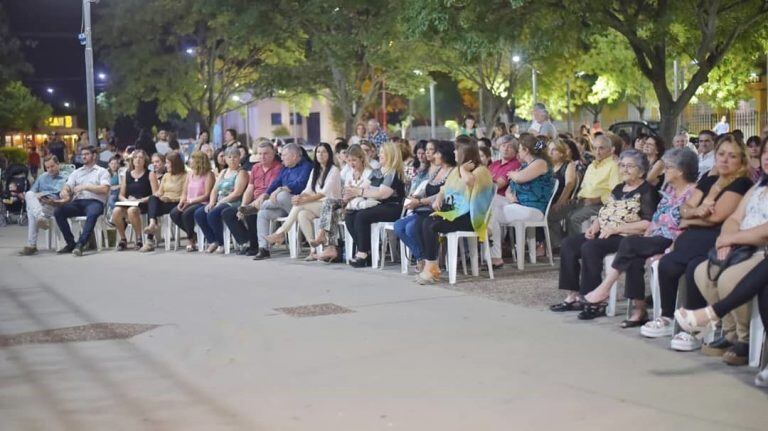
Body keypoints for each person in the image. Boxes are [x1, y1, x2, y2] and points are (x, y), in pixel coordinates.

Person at [553, 149, 697, 326]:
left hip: (629, 234)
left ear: (642, 171)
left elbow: (651, 221)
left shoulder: (651, 191)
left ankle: (597, 296)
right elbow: (606, 210)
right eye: (622, 165)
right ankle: (577, 295)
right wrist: (595, 225)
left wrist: (619, 229)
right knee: (569, 243)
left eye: (630, 166)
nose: (624, 169)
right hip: (631, 234)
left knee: (594, 247)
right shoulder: (625, 188)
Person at [654, 134, 753, 351]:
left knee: (693, 268)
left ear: (741, 161)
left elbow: (716, 218)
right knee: (667, 264)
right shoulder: (708, 178)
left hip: (714, 239)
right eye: (721, 154)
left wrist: (692, 215)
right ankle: (667, 316)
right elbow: (683, 209)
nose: (725, 160)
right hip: (691, 237)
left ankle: (696, 329)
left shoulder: (742, 183)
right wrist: (694, 212)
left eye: (732, 156)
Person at [679, 138, 768, 364]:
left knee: (729, 279)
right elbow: (735, 217)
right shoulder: (759, 187)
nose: (767, 157)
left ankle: (744, 339)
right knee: (702, 271)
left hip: (760, 251)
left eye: (733, 155)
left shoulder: (743, 183)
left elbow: (764, 231)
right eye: (766, 152)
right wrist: (726, 240)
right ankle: (729, 333)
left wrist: (730, 238)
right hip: (740, 245)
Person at [414, 136, 494, 284]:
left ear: (465, 151)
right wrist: (438, 198)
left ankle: (431, 269)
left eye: (457, 149)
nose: (454, 152)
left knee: (430, 224)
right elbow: (445, 188)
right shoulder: (457, 170)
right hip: (454, 212)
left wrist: (463, 169)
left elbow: (469, 182)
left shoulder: (481, 170)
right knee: (423, 222)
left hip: (471, 217)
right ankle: (431, 266)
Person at [265, 143, 341, 260]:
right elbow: (308, 190)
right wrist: (300, 197)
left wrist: (303, 200)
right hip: (318, 206)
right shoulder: (315, 170)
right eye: (318, 152)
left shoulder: (334, 170)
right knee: (302, 214)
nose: (320, 154)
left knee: (301, 204)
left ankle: (281, 232)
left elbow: (323, 193)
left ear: (329, 154)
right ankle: (313, 251)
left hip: (331, 206)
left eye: (324, 152)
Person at [489, 135, 555, 268]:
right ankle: (495, 255)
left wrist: (513, 174)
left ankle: (493, 251)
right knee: (491, 207)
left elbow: (519, 178)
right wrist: (510, 196)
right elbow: (509, 189)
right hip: (519, 206)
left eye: (519, 149)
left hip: (534, 209)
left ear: (526, 150)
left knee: (491, 211)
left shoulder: (540, 163)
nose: (518, 152)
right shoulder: (525, 165)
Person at [548, 134, 620, 247]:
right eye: (595, 148)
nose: (597, 151)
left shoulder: (613, 166)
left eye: (601, 148)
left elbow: (616, 191)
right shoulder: (591, 166)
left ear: (611, 150)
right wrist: (574, 199)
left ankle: (577, 247)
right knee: (551, 215)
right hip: (582, 201)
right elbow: (583, 188)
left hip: (600, 205)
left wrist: (597, 199)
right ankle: (560, 244)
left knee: (573, 218)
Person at [394, 141, 455, 273]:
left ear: (445, 154)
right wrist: (416, 197)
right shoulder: (437, 170)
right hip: (424, 208)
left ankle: (428, 261)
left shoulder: (452, 172)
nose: (433, 155)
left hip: (437, 210)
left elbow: (442, 195)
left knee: (411, 228)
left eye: (436, 152)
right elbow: (428, 188)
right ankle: (421, 257)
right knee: (398, 226)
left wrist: (420, 201)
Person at [344, 141, 406, 268]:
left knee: (362, 216)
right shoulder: (376, 171)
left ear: (391, 154)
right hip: (378, 205)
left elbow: (383, 194)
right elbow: (363, 186)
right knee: (350, 215)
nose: (380, 154)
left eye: (383, 152)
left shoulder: (393, 172)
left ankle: (362, 254)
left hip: (392, 206)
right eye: (380, 152)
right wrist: (351, 191)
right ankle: (366, 251)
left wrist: (359, 191)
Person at [310, 144, 374, 262]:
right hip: (348, 202)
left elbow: (363, 191)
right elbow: (345, 191)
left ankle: (327, 243)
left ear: (362, 158)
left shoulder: (369, 172)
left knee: (332, 209)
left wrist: (350, 194)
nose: (351, 163)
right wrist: (346, 197)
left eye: (354, 160)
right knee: (329, 205)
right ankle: (329, 246)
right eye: (349, 160)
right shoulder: (349, 172)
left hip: (362, 204)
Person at [251, 143, 313, 260]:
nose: (281, 157)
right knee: (263, 214)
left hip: (299, 205)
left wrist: (281, 189)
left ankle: (257, 206)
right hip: (285, 208)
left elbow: (301, 184)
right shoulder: (285, 168)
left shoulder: (307, 166)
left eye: (284, 155)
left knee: (282, 195)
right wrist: (266, 194)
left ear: (294, 156)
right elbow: (275, 182)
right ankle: (263, 248)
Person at [53, 146, 111, 256]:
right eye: (82, 154)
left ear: (94, 156)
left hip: (95, 201)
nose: (83, 156)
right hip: (78, 202)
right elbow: (68, 185)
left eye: (86, 154)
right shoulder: (77, 172)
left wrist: (86, 186)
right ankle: (71, 243)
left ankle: (80, 244)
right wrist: (65, 190)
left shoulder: (102, 171)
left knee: (92, 213)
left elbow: (105, 189)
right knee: (58, 211)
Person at [194, 147, 249, 253]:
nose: (232, 160)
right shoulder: (223, 172)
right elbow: (214, 189)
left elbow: (237, 193)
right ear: (226, 159)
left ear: (239, 158)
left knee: (212, 214)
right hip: (219, 202)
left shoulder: (241, 173)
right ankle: (212, 240)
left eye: (235, 157)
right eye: (229, 157)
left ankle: (221, 243)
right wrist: (211, 202)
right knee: (200, 213)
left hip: (232, 202)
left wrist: (220, 202)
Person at [18, 156, 67, 256]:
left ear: (58, 164)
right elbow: (32, 191)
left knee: (31, 211)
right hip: (41, 205)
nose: (50, 170)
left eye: (52, 166)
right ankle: (40, 217)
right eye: (47, 167)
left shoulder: (65, 176)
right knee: (29, 195)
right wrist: (36, 196)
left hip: (55, 205)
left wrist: (43, 194)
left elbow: (61, 193)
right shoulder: (42, 177)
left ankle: (32, 245)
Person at [111, 149, 159, 251]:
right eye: (135, 158)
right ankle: (123, 239)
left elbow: (155, 194)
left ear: (145, 161)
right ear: (132, 160)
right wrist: (125, 200)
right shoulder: (127, 174)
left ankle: (139, 238)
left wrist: (140, 200)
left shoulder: (150, 174)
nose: (138, 160)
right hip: (129, 202)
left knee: (132, 210)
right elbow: (121, 195)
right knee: (116, 211)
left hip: (144, 202)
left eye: (141, 158)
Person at [487, 135, 523, 266]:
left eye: (510, 147)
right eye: (503, 146)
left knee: (490, 205)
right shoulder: (494, 164)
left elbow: (498, 185)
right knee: (490, 208)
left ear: (515, 150)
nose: (506, 149)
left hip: (506, 198)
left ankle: (494, 252)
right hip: (492, 200)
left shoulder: (515, 164)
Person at [141, 151, 187, 251]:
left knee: (152, 206)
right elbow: (159, 192)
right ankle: (152, 224)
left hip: (177, 202)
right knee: (153, 199)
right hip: (165, 201)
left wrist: (170, 199)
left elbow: (185, 196)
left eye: (167, 163)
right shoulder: (166, 176)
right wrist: (159, 197)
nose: (166, 165)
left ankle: (149, 241)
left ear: (175, 164)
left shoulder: (185, 176)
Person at [170, 151, 215, 252]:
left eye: (192, 159)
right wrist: (181, 201)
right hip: (189, 202)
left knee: (186, 214)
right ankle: (192, 234)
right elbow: (184, 192)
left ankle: (190, 240)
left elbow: (206, 195)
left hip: (202, 202)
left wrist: (190, 201)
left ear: (198, 161)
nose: (190, 161)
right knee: (174, 213)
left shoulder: (209, 175)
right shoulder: (190, 174)